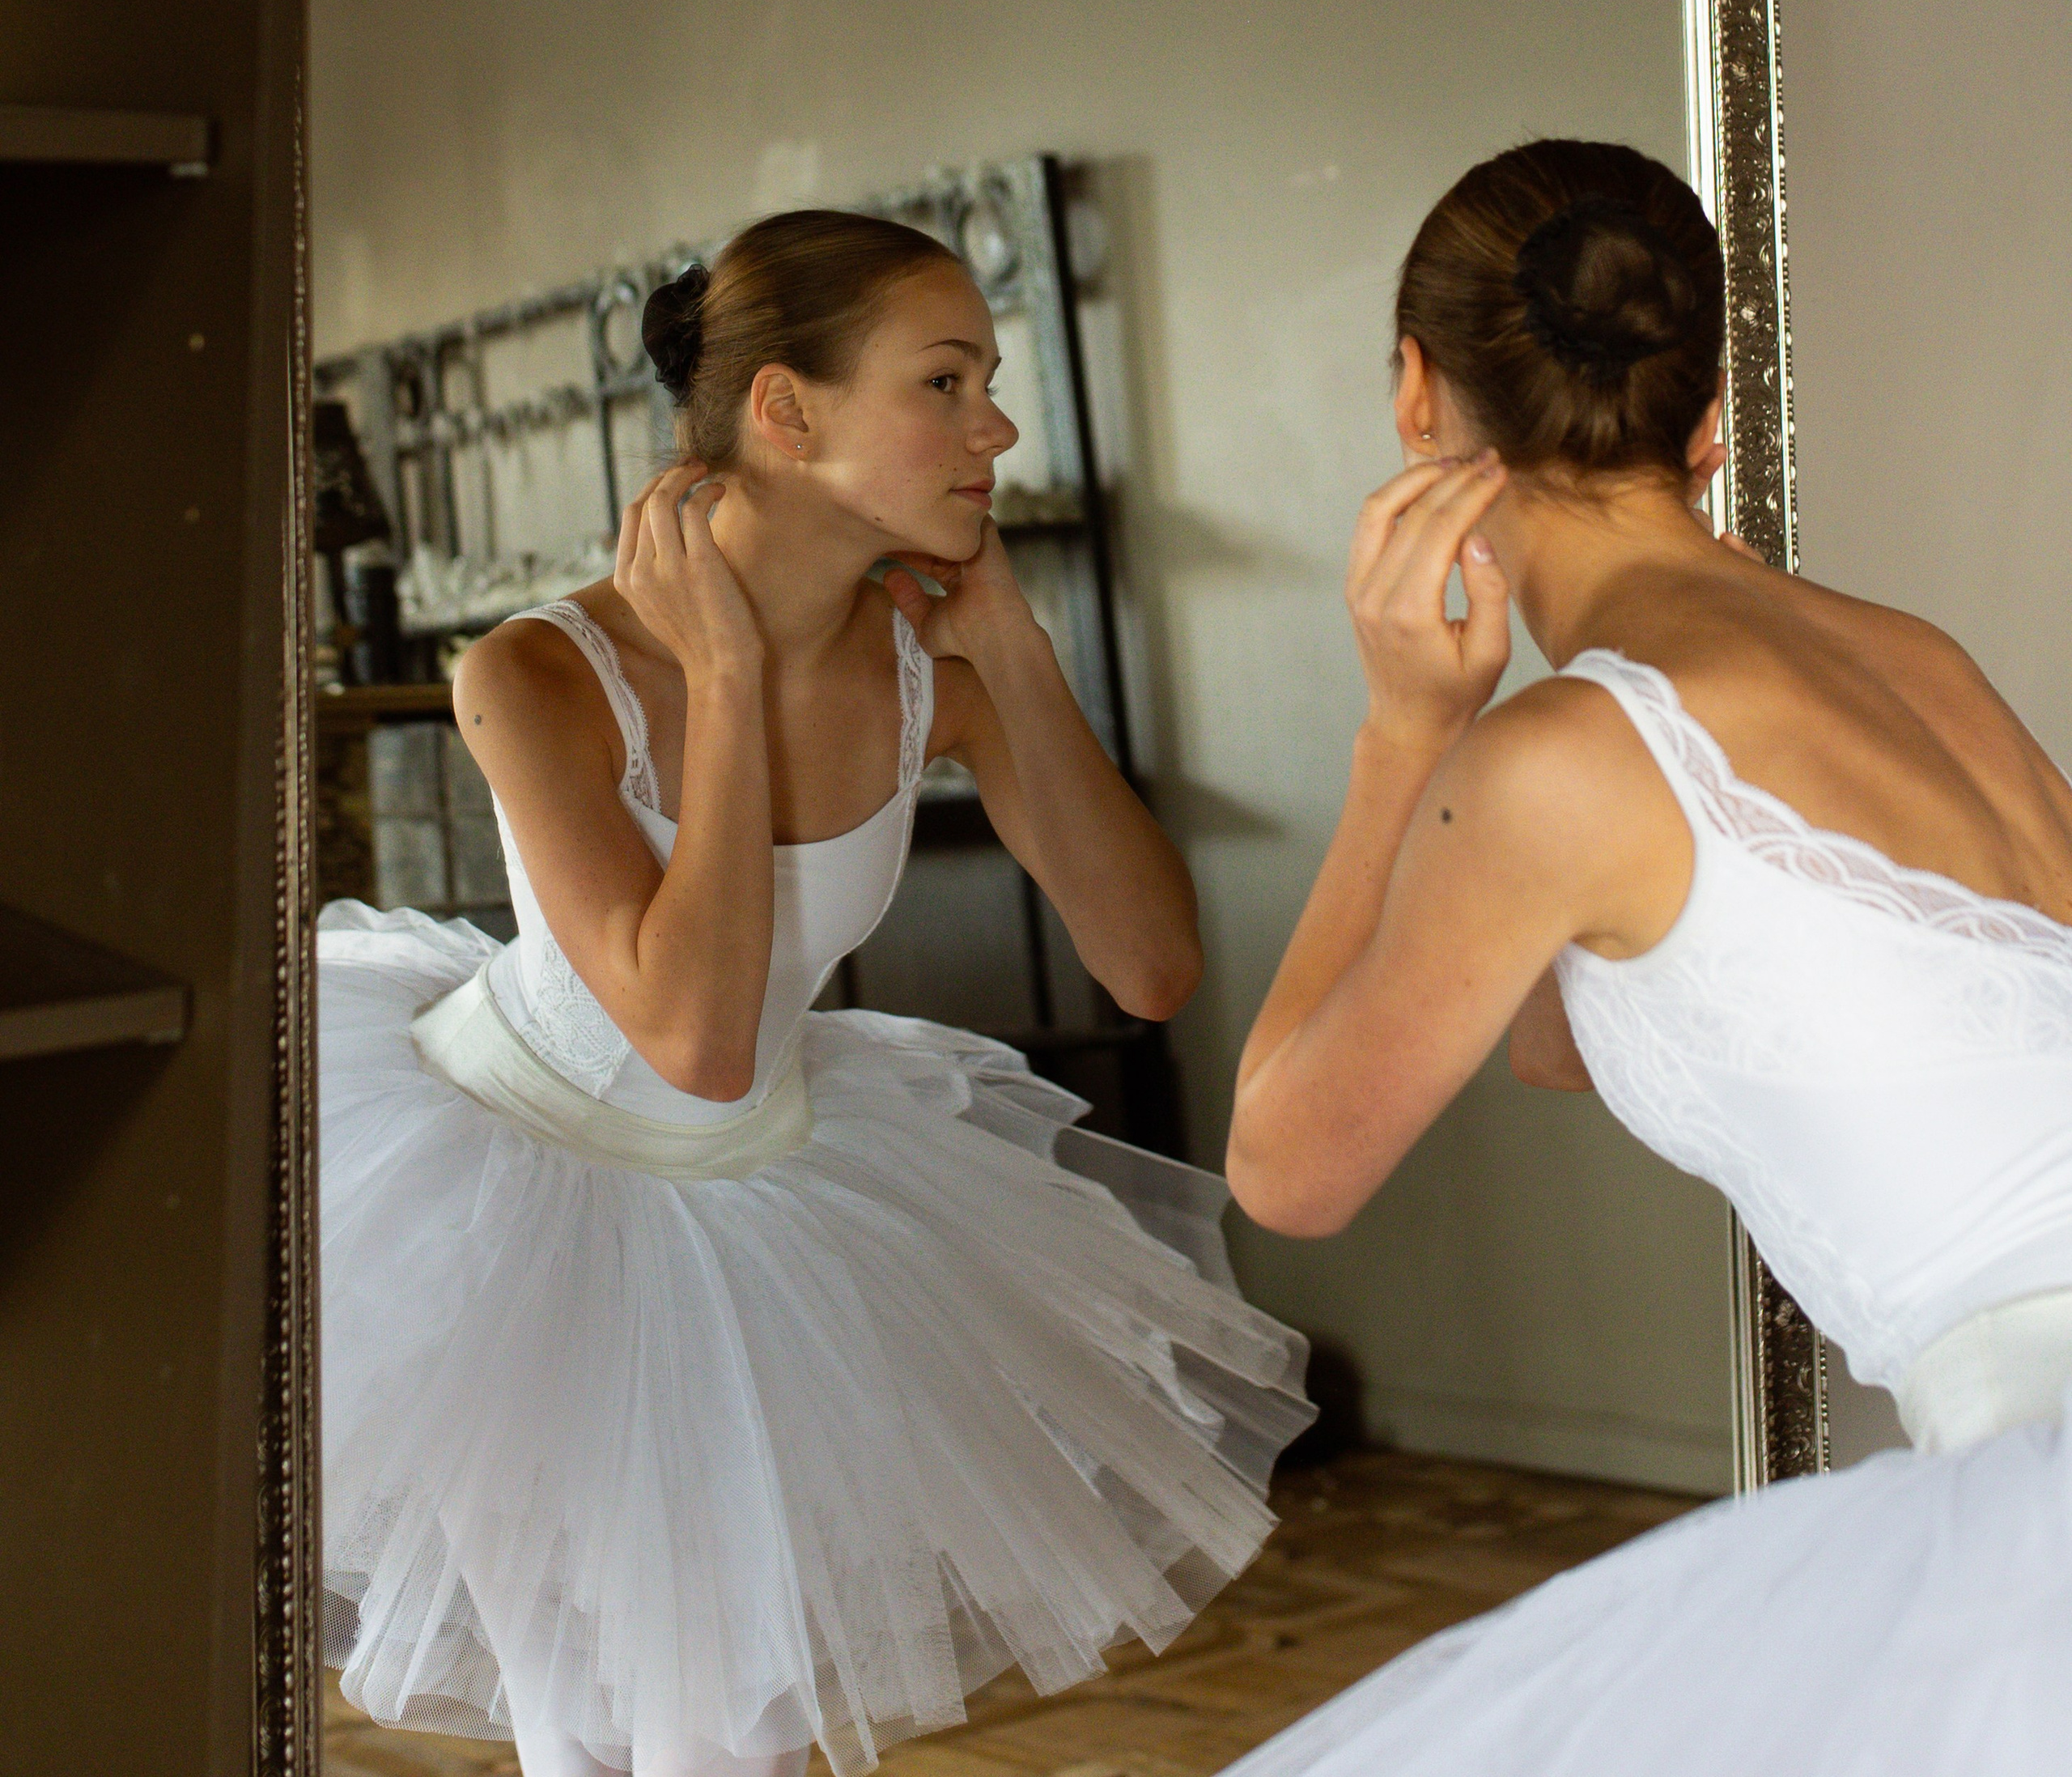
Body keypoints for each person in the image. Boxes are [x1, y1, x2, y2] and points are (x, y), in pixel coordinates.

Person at [317, 209, 1311, 1777]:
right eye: (944, 380)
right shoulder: (534, 673)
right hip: (498, 1218)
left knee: (733, 1734)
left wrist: (1014, 655)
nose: (993, 425)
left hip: (761, 1201)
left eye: (986, 380)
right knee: (631, 1732)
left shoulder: (934, 681)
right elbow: (693, 1036)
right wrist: (720, 681)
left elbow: (1149, 965)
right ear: (784, 413)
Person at [1222, 138, 2072, 1775]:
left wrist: (1407, 731)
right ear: (1709, 411)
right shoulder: (1919, 661)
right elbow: (1572, 1030)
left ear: (1415, 395)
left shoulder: (1555, 762)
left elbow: (1284, 1169)